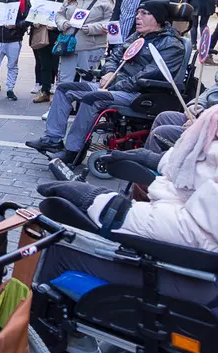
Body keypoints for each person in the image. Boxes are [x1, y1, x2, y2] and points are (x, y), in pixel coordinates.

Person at [37, 104, 218, 252]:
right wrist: (151, 158)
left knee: (62, 243)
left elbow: (195, 231)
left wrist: (109, 207)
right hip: (180, 207)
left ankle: (70, 150)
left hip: (189, 245)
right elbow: (201, 171)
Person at [26, 0, 185, 163]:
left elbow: (147, 76)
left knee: (92, 99)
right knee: (65, 89)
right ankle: (52, 140)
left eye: (144, 14)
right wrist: (108, 72)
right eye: (137, 13)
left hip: (140, 93)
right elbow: (115, 56)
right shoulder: (137, 36)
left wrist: (113, 85)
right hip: (115, 84)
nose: (138, 17)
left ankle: (73, 151)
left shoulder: (171, 44)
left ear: (158, 18)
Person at [53, 0, 114, 87]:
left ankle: (84, 106)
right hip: (69, 46)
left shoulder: (106, 0)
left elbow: (111, 21)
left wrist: (93, 28)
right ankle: (63, 104)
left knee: (87, 81)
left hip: (91, 47)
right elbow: (60, 14)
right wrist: (62, 23)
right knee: (64, 80)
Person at [143, 76, 218, 153]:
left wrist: (199, 124)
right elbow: (208, 93)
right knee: (164, 117)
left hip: (211, 131)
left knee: (159, 134)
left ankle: (152, 161)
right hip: (205, 117)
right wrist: (195, 106)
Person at [31, 0, 71, 103]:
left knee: (58, 66)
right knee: (44, 65)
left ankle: (59, 93)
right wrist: (35, 22)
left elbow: (68, 15)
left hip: (58, 34)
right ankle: (45, 91)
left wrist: (56, 26)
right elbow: (34, 13)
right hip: (43, 33)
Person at [30, 0, 46, 96]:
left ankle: (49, 85)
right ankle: (38, 83)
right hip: (38, 31)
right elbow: (30, 15)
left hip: (53, 32)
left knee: (51, 61)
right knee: (39, 60)